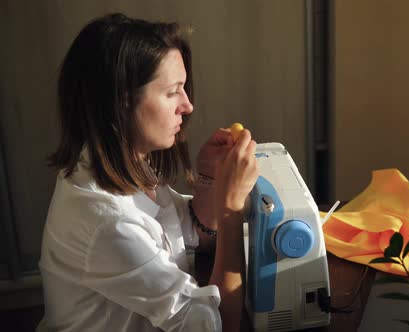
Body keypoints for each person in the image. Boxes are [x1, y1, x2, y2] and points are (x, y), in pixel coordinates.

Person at [38, 13, 258, 332]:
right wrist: (231, 209)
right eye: (173, 92)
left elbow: (187, 233)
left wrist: (209, 179)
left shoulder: (121, 163)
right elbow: (218, 326)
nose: (188, 105)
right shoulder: (107, 222)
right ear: (122, 102)